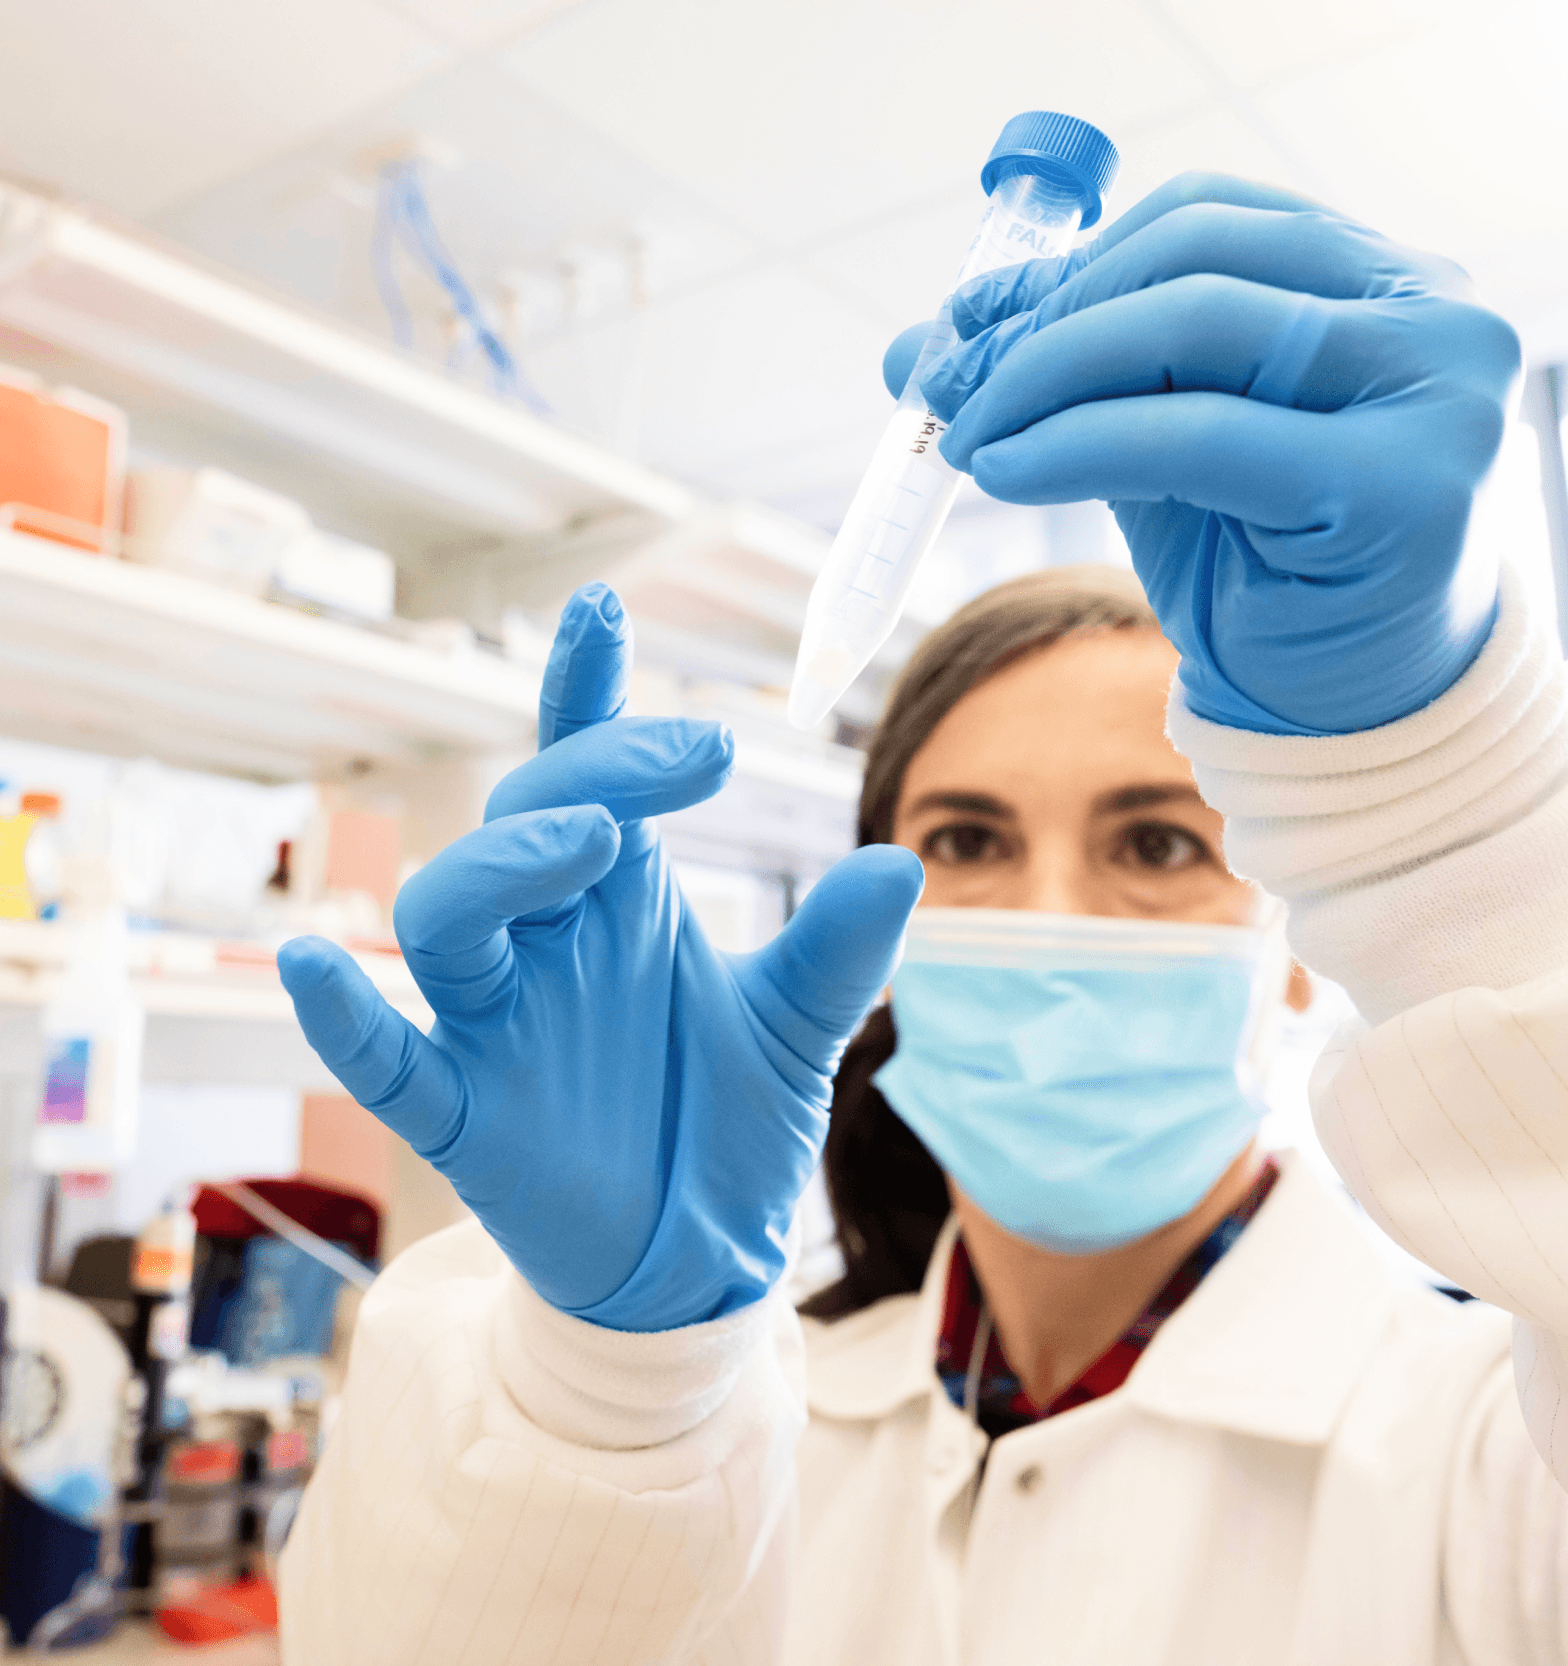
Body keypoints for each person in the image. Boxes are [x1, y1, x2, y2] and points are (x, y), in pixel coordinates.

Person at [275, 175, 1568, 1663]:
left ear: (1289, 950)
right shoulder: (733, 1410)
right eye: (965, 839)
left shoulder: (1489, 1452)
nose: (1054, 911)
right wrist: (602, 1389)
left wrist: (1457, 817)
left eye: (1154, 839)